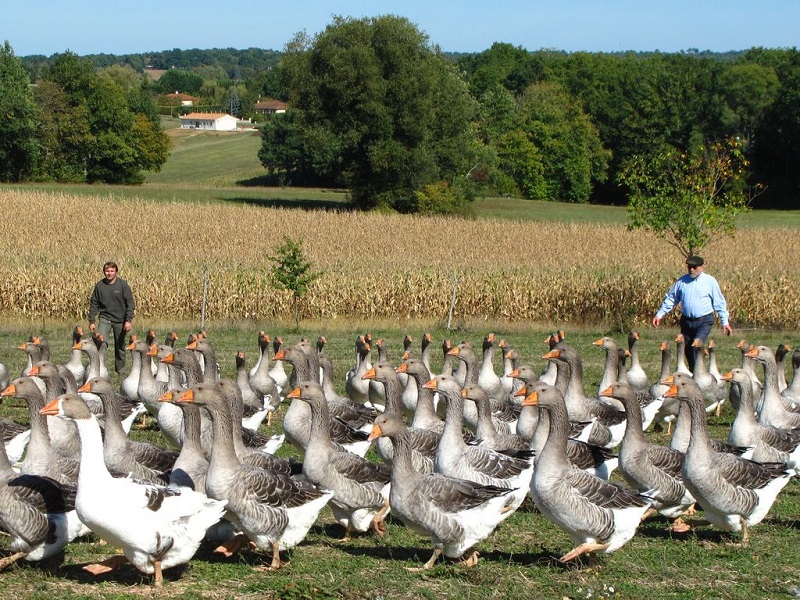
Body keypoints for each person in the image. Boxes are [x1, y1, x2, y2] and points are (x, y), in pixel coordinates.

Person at [652, 254, 733, 372]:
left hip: (704, 321)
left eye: (694, 267)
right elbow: (671, 299)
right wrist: (659, 314)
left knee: (696, 345)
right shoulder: (681, 282)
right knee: (688, 350)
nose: (691, 269)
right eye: (689, 267)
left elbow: (719, 302)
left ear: (701, 267)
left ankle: (699, 375)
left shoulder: (710, 282)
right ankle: (694, 373)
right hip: (686, 321)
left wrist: (725, 321)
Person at [88, 261, 135, 374]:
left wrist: (128, 320)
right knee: (101, 343)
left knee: (120, 346)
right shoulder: (100, 286)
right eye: (107, 271)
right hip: (105, 318)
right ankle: (100, 368)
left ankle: (120, 370)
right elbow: (94, 303)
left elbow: (130, 303)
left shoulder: (123, 285)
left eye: (112, 271)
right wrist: (92, 321)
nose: (109, 273)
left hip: (120, 320)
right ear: (104, 272)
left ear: (116, 272)